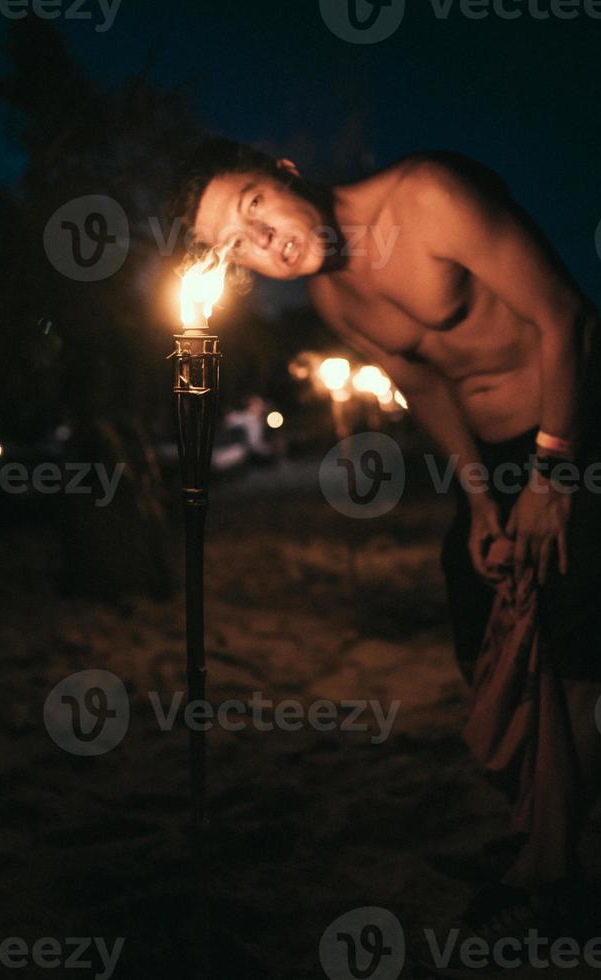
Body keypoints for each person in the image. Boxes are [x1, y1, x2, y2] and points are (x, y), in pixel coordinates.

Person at [172, 138, 601, 932]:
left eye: (253, 206)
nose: (261, 242)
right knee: (485, 639)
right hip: (505, 462)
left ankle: (554, 867)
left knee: (572, 639)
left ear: (284, 172)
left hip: (579, 426)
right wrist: (479, 501)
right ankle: (545, 829)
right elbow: (426, 384)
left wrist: (555, 474)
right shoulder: (335, 304)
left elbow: (566, 316)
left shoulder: (427, 196)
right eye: (236, 245)